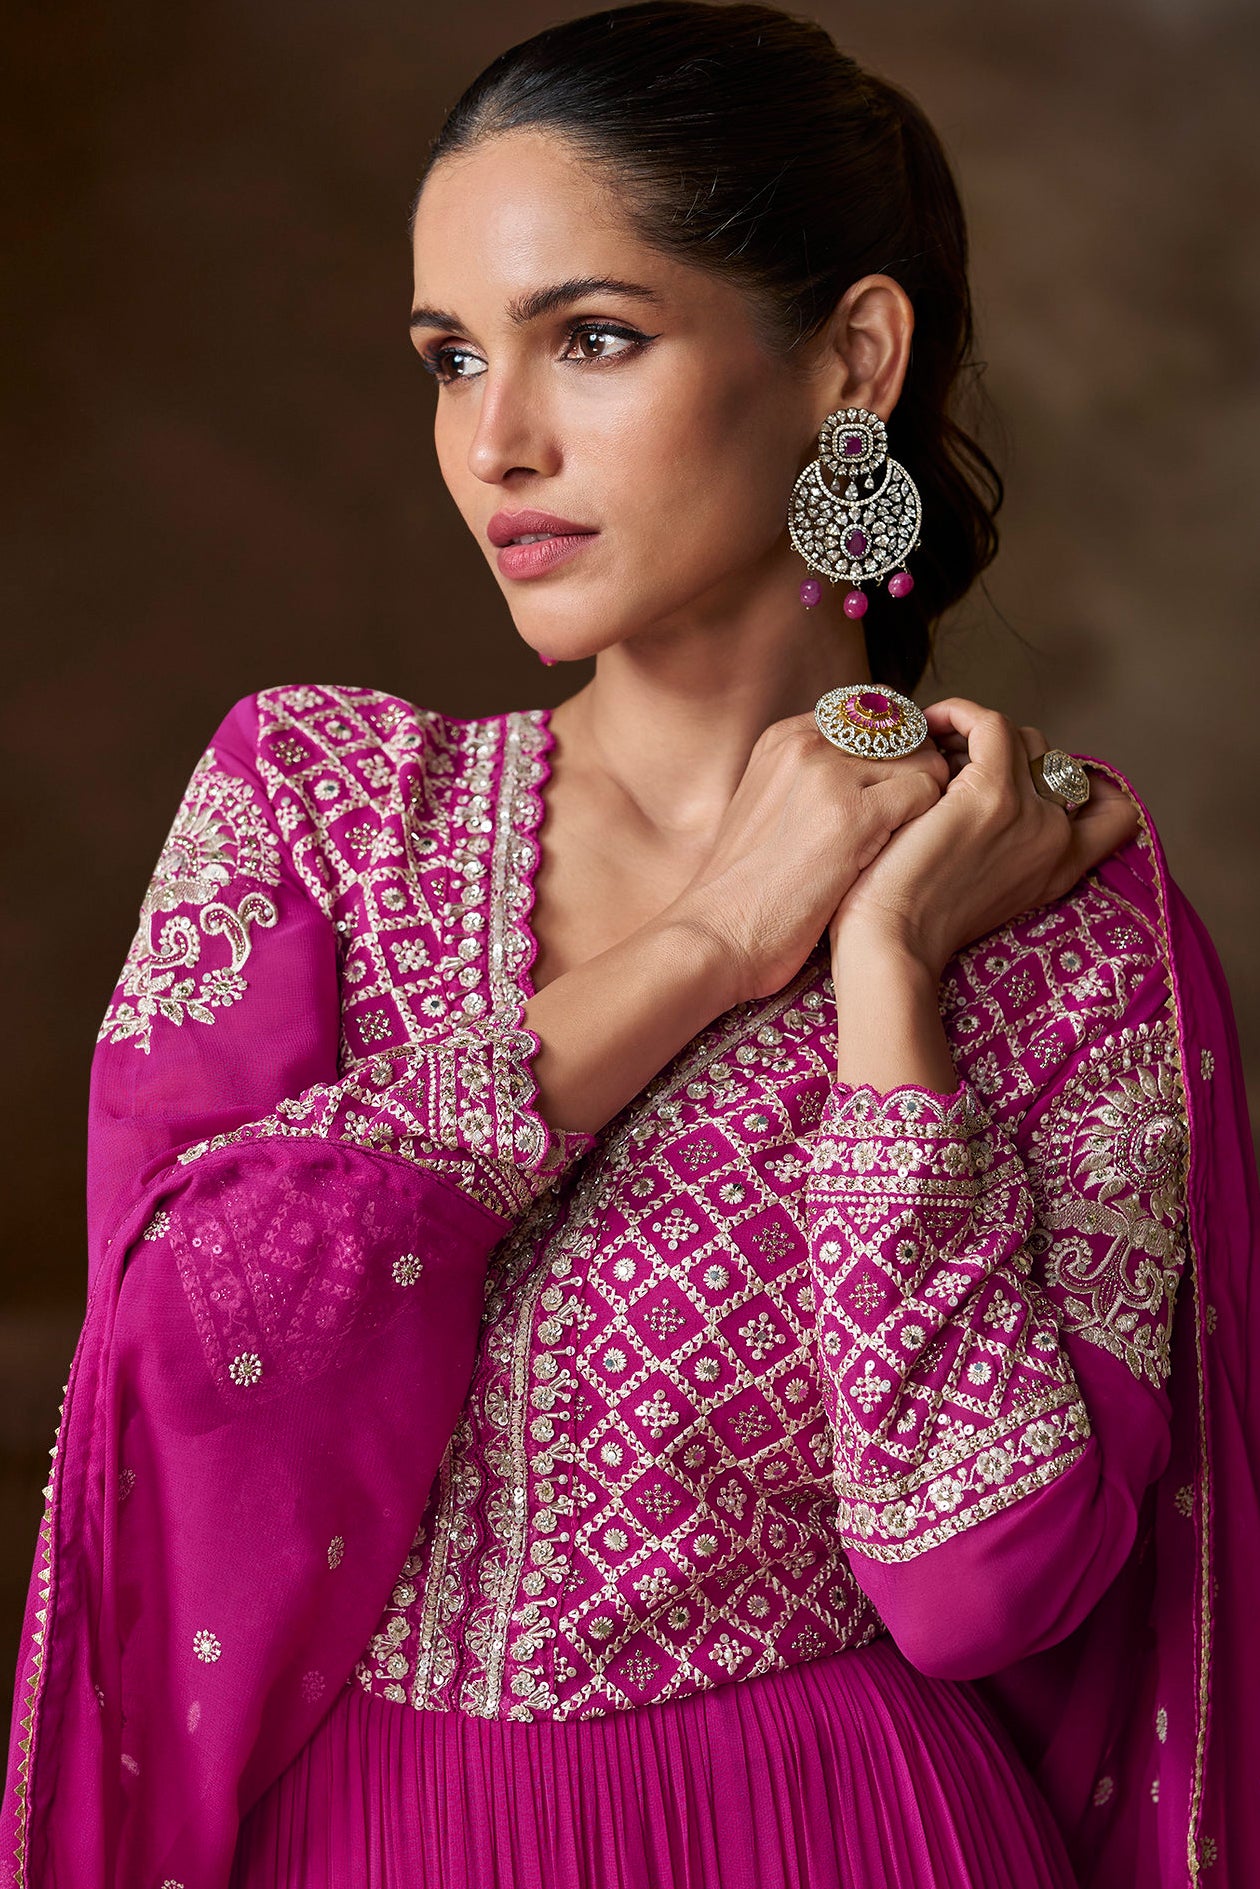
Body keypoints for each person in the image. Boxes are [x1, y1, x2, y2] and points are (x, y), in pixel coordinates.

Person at [4, 3, 1257, 1885]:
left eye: (590, 338)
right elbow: (180, 1366)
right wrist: (712, 936)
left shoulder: (1054, 909)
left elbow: (980, 1582)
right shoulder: (324, 808)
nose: (493, 441)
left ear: (851, 358)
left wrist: (892, 983)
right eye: (450, 358)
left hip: (855, 1838)